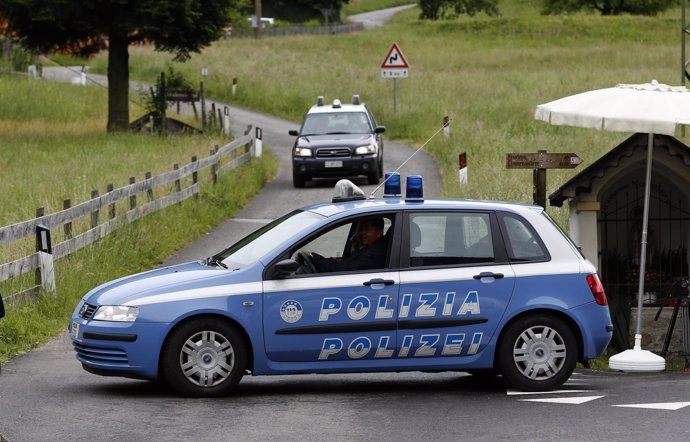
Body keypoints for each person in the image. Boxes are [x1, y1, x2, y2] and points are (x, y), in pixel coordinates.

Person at [302, 218, 388, 273]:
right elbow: (348, 263)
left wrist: (312, 257)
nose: (361, 233)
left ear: (379, 233)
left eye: (366, 229)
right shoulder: (375, 248)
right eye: (361, 229)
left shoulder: (373, 254)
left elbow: (337, 269)